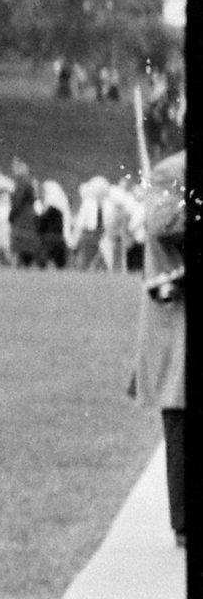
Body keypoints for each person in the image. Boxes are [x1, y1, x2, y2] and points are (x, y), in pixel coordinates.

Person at [132, 151, 184, 546]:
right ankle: (183, 524)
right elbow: (161, 223)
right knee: (180, 417)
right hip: (177, 318)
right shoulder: (171, 171)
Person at [36, 180, 70, 269]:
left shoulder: (51, 207)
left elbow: (43, 223)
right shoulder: (63, 205)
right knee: (60, 265)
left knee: (42, 263)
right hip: (59, 239)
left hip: (49, 239)